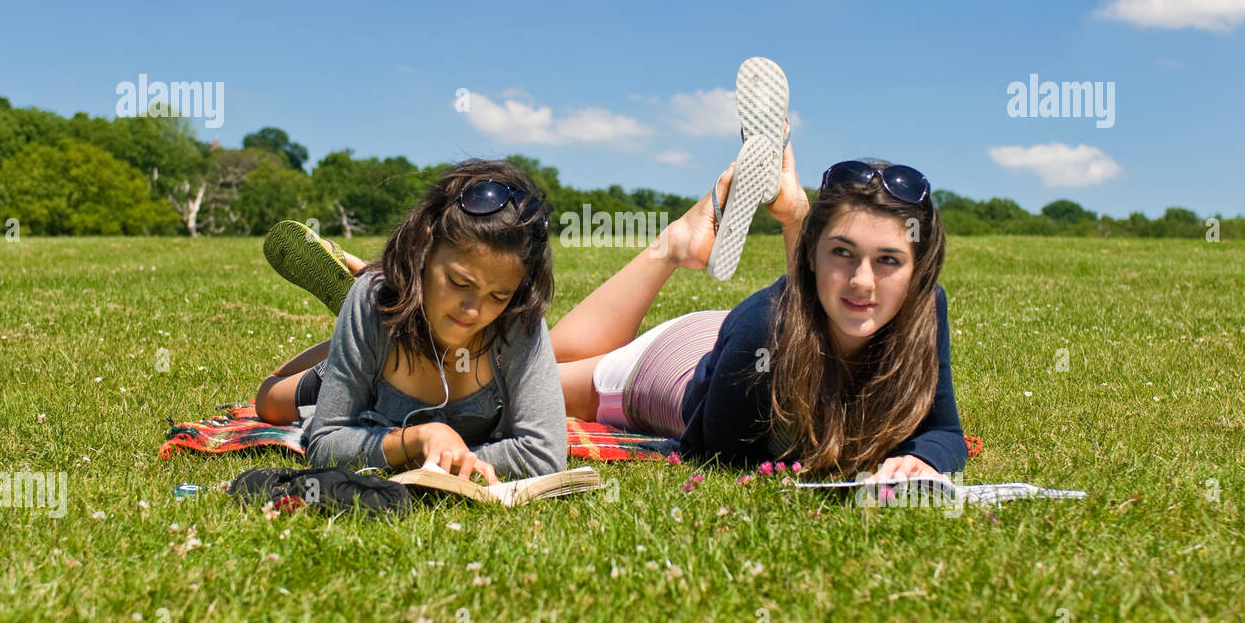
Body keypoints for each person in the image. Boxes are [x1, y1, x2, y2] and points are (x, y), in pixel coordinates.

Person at [549, 117, 965, 481]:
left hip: (750, 336)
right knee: (526, 383)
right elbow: (716, 456)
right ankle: (676, 243)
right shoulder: (759, 329)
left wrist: (922, 458)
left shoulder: (925, 308)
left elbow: (943, 432)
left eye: (888, 260)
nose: (862, 281)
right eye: (842, 251)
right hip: (669, 367)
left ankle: (791, 213)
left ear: (920, 270)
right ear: (813, 253)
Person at [254, 159, 567, 485]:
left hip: (386, 330)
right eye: (460, 283)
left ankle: (367, 329)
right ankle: (367, 331)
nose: (473, 311)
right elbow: (325, 445)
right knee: (269, 402)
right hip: (378, 357)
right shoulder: (371, 298)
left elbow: (545, 456)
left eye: (497, 296)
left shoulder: (519, 314)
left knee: (378, 317)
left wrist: (447, 458)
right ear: (425, 246)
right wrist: (419, 438)